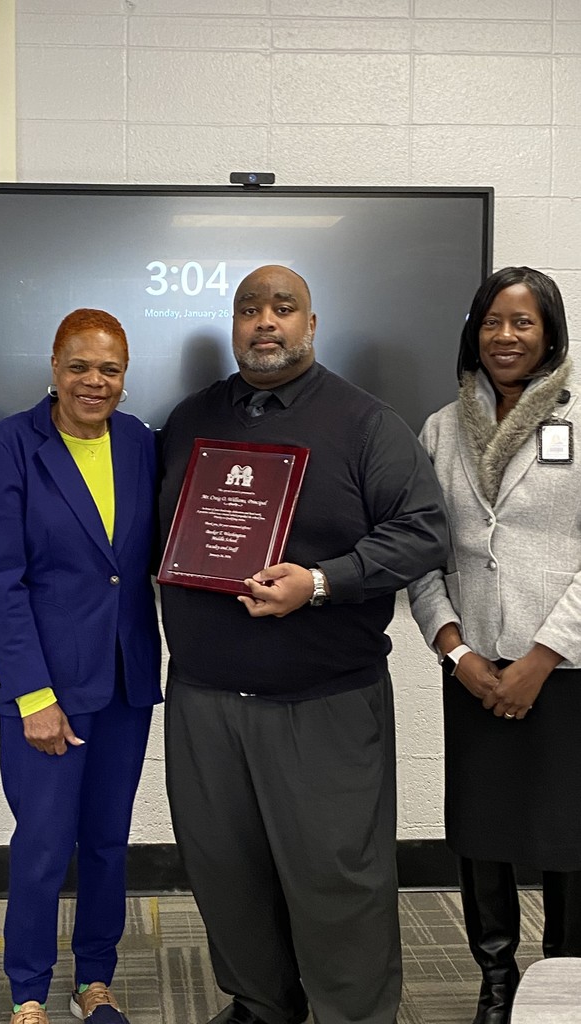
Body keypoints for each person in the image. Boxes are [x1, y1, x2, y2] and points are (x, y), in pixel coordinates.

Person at [157, 265, 449, 1024]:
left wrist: (319, 582)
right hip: (205, 703)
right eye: (249, 308)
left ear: (311, 325)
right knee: (227, 874)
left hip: (323, 705)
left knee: (337, 882)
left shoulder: (365, 423)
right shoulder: (189, 420)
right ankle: (261, 1004)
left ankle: (352, 1015)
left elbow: (424, 532)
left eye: (283, 308)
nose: (265, 322)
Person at [0, 308, 161, 1024]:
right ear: (54, 367)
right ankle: (27, 989)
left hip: (124, 680)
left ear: (124, 373)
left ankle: (95, 981)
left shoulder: (142, 443)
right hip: (46, 687)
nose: (94, 381)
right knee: (44, 845)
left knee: (108, 840)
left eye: (109, 368)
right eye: (79, 366)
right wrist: (31, 695)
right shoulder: (10, 447)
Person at [408, 266, 581, 1024]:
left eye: (523, 323)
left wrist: (541, 657)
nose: (504, 337)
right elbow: (423, 556)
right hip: (474, 671)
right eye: (491, 322)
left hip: (565, 670)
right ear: (473, 331)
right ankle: (496, 977)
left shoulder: (579, 419)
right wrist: (457, 652)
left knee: (567, 836)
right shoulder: (441, 428)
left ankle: (565, 978)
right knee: (480, 832)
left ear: (550, 334)